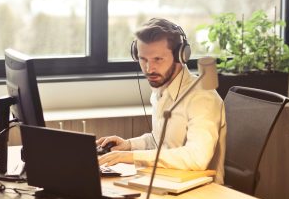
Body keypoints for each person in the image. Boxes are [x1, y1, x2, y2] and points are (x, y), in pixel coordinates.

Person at [97, 18, 226, 184]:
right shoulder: (161, 90)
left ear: (181, 55)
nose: (149, 69)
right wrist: (128, 145)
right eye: (143, 59)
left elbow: (197, 158)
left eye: (158, 59)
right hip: (166, 181)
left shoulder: (202, 97)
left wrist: (132, 157)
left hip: (201, 191)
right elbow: (162, 141)